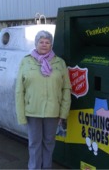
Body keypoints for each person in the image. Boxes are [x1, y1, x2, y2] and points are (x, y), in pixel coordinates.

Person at [15, 30, 72, 169]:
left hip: (53, 111)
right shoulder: (26, 61)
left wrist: (63, 113)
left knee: (49, 143)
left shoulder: (59, 63)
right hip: (33, 111)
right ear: (36, 43)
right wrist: (21, 115)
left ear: (51, 45)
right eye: (41, 42)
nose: (44, 45)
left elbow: (66, 89)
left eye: (47, 42)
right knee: (34, 144)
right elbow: (19, 90)